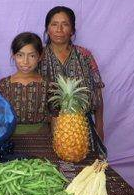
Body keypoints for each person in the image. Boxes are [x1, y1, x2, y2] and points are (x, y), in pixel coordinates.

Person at [39, 6, 105, 140]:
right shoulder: (38, 56)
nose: (59, 30)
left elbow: (97, 93)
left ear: (72, 30)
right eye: (54, 24)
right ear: (47, 29)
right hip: (47, 126)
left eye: (65, 24)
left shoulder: (85, 55)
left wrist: (100, 126)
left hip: (82, 125)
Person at [0, 32, 49, 134]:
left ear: (40, 56)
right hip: (11, 140)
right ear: (13, 55)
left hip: (43, 141)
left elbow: (56, 117)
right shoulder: (3, 85)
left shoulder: (48, 85)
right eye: (20, 55)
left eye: (32, 56)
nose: (25, 61)